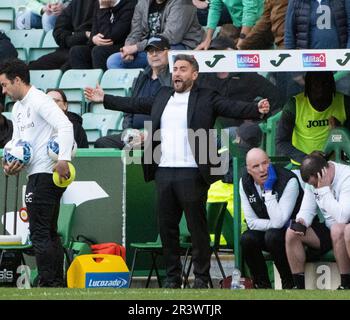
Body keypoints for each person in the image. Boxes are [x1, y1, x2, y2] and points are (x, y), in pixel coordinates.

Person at [85, 54, 270, 288]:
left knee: (197, 229)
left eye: (183, 69)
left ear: (194, 74)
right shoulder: (162, 95)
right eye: (175, 70)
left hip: (192, 172)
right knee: (167, 229)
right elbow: (135, 103)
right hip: (163, 171)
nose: (177, 74)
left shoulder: (206, 97)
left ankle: (201, 279)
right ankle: (172, 278)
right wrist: (105, 99)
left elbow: (230, 107)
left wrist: (256, 109)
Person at [0, 58, 74, 287]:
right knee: (49, 231)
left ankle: (47, 282)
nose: (3, 90)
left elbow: (65, 125)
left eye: (5, 85)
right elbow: (15, 142)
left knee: (40, 232)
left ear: (18, 80)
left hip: (45, 173)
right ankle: (56, 283)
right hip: (34, 173)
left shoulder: (40, 100)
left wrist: (63, 159)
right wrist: (8, 163)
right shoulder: (18, 108)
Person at [240, 148, 303, 289]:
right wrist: (273, 223)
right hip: (273, 229)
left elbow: (280, 222)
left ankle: (289, 284)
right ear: (248, 170)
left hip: (293, 233)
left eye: (265, 163)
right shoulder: (244, 182)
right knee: (247, 238)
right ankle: (262, 287)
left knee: (272, 236)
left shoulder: (289, 180)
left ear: (270, 162)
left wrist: (268, 191)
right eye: (256, 166)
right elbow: (251, 222)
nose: (262, 170)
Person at [285, 151, 350, 290]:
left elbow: (343, 217)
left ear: (322, 173)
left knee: (338, 228)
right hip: (328, 229)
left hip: (345, 228)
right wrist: (302, 220)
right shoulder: (314, 181)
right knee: (292, 233)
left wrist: (324, 190)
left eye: (315, 184)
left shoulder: (346, 176)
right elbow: (307, 210)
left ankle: (346, 284)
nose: (314, 187)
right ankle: (299, 288)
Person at [94, 35, 172, 149]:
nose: (154, 54)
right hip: (135, 134)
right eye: (150, 51)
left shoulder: (174, 78)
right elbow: (129, 110)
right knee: (102, 143)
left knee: (147, 147)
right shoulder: (141, 77)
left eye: (158, 51)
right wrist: (129, 131)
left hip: (158, 134)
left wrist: (147, 134)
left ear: (169, 52)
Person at [276, 71, 350, 165]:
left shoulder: (345, 103)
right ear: (307, 86)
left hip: (336, 165)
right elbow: (281, 142)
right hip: (303, 166)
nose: (321, 89)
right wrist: (307, 158)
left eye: (325, 84)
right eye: (315, 85)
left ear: (332, 85)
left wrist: (342, 130)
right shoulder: (294, 105)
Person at [106, 0, 204, 69]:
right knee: (114, 61)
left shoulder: (183, 3)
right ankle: (139, 89)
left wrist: (136, 47)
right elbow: (135, 32)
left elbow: (172, 37)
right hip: (150, 48)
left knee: (161, 57)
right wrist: (128, 50)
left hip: (178, 47)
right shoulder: (142, 3)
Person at [28, 0, 95, 71]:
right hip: (67, 48)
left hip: (86, 51)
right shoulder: (75, 3)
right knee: (31, 68)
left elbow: (96, 35)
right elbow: (59, 33)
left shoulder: (102, 3)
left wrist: (74, 36)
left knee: (61, 72)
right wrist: (79, 36)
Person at [69, 0, 136, 70]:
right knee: (77, 51)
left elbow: (111, 37)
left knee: (98, 51)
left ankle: (100, 80)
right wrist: (94, 39)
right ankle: (86, 80)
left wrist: (104, 8)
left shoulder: (129, 5)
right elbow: (94, 31)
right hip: (102, 45)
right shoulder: (99, 4)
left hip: (122, 46)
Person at [195, 0, 264, 50]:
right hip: (238, 25)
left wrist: (242, 38)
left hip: (259, 25)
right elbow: (215, 7)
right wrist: (208, 39)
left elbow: (250, 11)